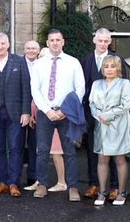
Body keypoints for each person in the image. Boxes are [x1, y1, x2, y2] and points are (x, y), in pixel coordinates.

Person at [31, 28, 85, 202]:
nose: (54, 43)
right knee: (43, 151)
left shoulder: (73, 62)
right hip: (45, 113)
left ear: (63, 42)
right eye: (51, 40)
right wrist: (47, 110)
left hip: (66, 114)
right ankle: (42, 184)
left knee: (70, 152)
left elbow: (80, 89)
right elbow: (35, 89)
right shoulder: (39, 64)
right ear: (47, 43)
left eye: (58, 40)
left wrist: (64, 111)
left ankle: (73, 187)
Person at [80, 28, 128, 199]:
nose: (102, 44)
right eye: (99, 40)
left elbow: (125, 88)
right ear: (94, 40)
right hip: (93, 115)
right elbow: (83, 88)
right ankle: (94, 184)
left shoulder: (118, 60)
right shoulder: (86, 60)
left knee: (115, 152)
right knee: (95, 151)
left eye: (106, 41)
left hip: (115, 119)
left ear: (109, 41)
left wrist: (110, 115)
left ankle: (115, 188)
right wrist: (93, 113)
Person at [0, 33, 31, 198]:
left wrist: (26, 112)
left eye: (3, 43)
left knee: (15, 148)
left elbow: (26, 88)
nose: (0, 46)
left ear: (8, 44)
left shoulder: (19, 61)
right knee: (0, 149)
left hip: (15, 113)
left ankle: (13, 183)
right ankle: (2, 181)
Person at [89, 55, 130, 206]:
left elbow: (126, 105)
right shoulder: (96, 84)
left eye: (112, 66)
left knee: (119, 159)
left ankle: (121, 192)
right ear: (102, 69)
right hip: (101, 125)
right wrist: (98, 116)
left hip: (117, 125)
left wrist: (107, 115)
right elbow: (91, 103)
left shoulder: (124, 83)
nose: (109, 69)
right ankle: (102, 192)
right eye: (106, 66)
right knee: (102, 158)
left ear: (118, 68)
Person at [25, 47, 67, 194]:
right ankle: (40, 181)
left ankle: (62, 182)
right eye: (40, 56)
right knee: (41, 151)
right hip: (40, 117)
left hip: (53, 116)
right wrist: (32, 114)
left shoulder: (56, 75)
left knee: (56, 152)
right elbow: (34, 97)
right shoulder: (39, 72)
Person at [22, 40, 40, 187]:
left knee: (35, 144)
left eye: (33, 48)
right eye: (28, 48)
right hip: (20, 110)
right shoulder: (17, 63)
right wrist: (25, 110)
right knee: (17, 144)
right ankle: (14, 178)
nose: (31, 50)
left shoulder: (43, 64)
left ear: (38, 50)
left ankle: (33, 176)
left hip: (38, 111)